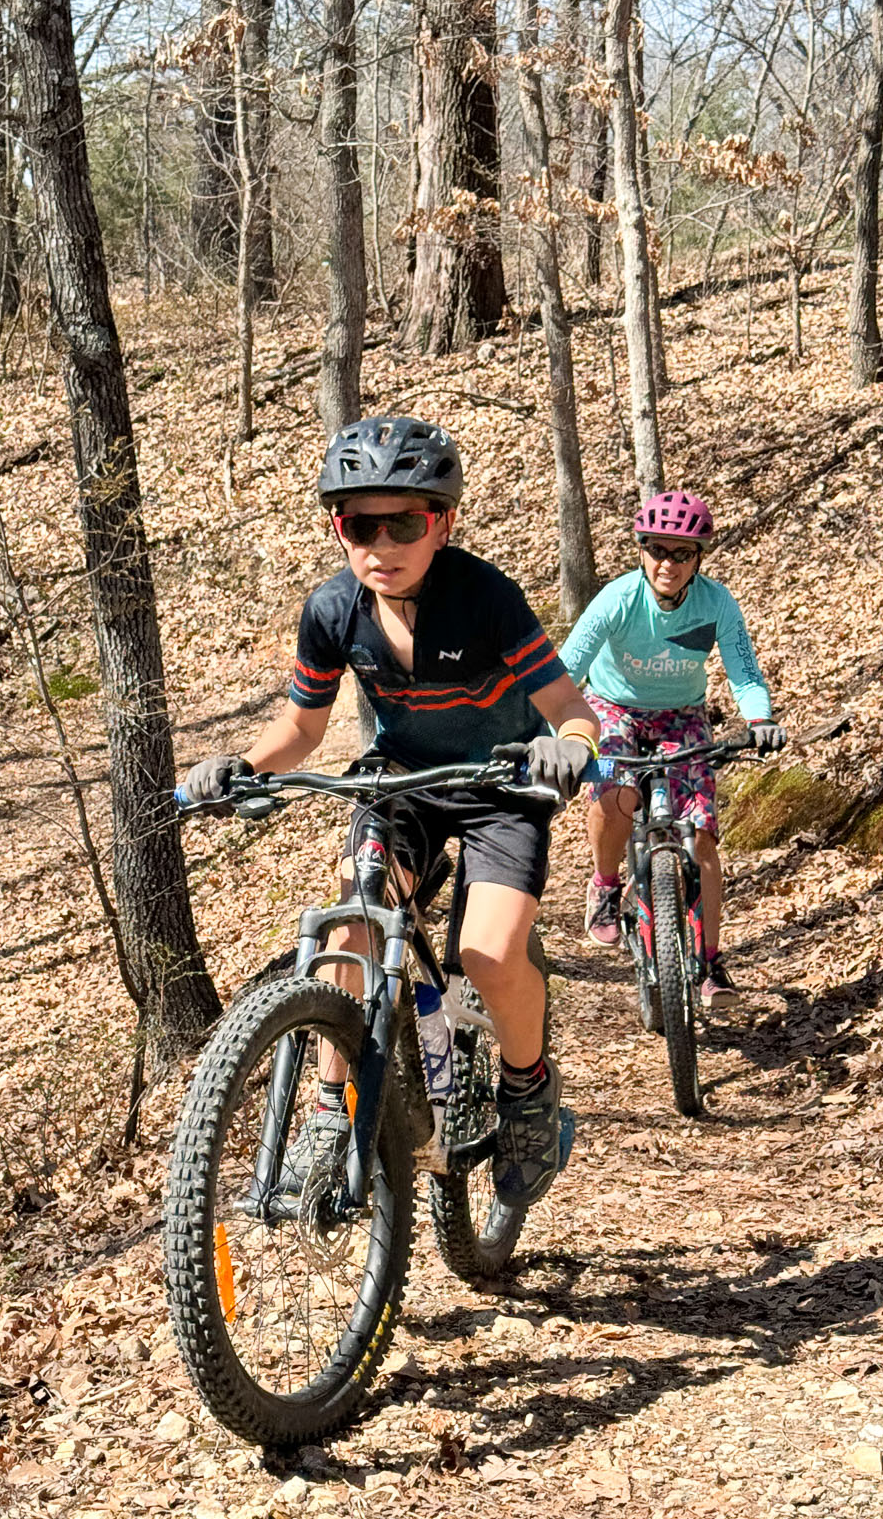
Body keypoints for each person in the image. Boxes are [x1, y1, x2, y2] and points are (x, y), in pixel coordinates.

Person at [183, 416, 601, 1210]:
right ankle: (329, 1116)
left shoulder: (486, 597)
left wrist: (570, 747)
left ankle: (528, 1090)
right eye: (359, 525)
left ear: (442, 523)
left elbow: (570, 709)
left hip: (502, 787)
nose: (381, 543)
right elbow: (302, 727)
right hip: (400, 781)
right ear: (337, 530)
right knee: (352, 930)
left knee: (486, 954)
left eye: (403, 523)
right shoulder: (332, 610)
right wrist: (243, 767)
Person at [557, 490, 785, 1009]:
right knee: (614, 790)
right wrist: (553, 734)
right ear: (641, 549)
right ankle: (606, 886)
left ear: (698, 558)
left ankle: (710, 963)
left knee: (701, 835)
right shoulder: (616, 599)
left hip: (682, 716)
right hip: (612, 707)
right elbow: (567, 668)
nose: (668, 563)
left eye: (682, 553)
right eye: (657, 549)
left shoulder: (716, 603)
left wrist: (760, 719)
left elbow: (744, 672)